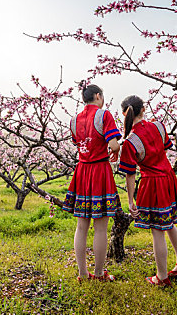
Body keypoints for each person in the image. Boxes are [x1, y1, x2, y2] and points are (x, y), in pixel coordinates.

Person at [118, 95, 177, 287]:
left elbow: (130, 175)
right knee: (168, 223)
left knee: (157, 230)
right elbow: (163, 149)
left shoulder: (129, 142)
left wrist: (130, 201)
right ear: (143, 110)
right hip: (168, 178)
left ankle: (161, 277)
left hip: (152, 183)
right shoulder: (159, 126)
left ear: (124, 115)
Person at [63, 84, 122, 282]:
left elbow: (79, 144)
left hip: (82, 171)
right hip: (99, 171)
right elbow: (113, 143)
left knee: (81, 227)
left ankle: (82, 273)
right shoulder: (103, 115)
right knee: (100, 228)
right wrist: (115, 150)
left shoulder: (73, 120)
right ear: (98, 96)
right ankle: (98, 273)